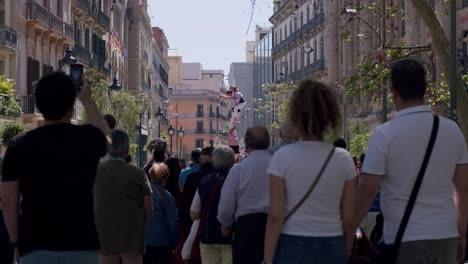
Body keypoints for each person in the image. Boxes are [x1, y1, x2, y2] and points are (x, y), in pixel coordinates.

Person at [356, 59, 468, 264]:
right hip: (445, 237)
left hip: (404, 239)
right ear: (425, 89)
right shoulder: (452, 130)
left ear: (393, 91)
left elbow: (367, 188)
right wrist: (462, 233)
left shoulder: (384, 134)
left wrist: (349, 230)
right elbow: (463, 188)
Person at [2, 71, 111, 263]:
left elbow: (9, 201)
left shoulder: (19, 145)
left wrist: (15, 240)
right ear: (71, 106)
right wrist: (86, 99)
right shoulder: (87, 138)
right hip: (82, 245)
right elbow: (108, 137)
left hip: (35, 247)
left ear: (39, 104)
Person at [263, 80, 358, 264]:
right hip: (332, 241)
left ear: (296, 116)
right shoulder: (343, 159)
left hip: (292, 242)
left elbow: (275, 215)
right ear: (330, 116)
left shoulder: (281, 158)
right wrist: (346, 248)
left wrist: (267, 259)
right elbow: (348, 217)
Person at [94, 130, 153, 264]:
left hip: (103, 231)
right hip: (132, 233)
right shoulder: (138, 173)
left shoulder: (95, 171)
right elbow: (149, 207)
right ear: (126, 150)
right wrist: (141, 225)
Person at [218, 126, 272, 264]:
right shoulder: (279, 165)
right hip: (275, 226)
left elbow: (226, 201)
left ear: (246, 143)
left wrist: (226, 224)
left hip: (247, 229)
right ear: (268, 142)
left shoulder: (239, 169)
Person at [191, 146, 236, 264]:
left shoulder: (205, 181)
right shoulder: (237, 180)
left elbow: (194, 214)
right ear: (232, 160)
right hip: (231, 237)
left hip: (208, 235)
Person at [145, 163, 179, 264]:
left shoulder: (141, 192)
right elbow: (173, 221)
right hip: (162, 240)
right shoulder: (167, 196)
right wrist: (176, 241)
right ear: (165, 178)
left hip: (144, 239)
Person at [181, 146, 216, 238]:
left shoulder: (192, 177)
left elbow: (185, 203)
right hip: (216, 226)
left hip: (194, 223)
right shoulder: (222, 177)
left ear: (201, 159)